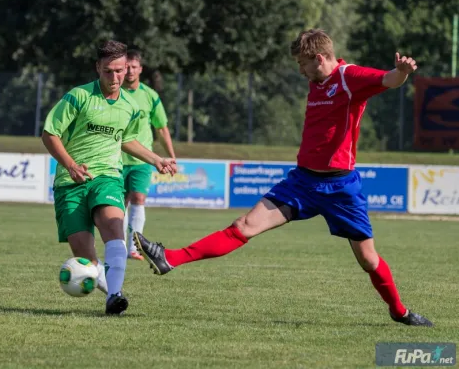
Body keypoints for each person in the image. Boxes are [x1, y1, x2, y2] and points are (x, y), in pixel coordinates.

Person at [133, 29, 434, 327]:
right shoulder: (317, 82)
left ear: (318, 58)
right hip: (302, 182)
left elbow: (389, 80)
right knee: (243, 226)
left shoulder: (348, 76)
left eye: (302, 64)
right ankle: (170, 257)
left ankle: (400, 312)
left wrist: (402, 72)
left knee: (368, 260)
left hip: (341, 186)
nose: (301, 71)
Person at [42, 40, 177, 316]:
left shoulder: (129, 106)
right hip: (71, 184)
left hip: (107, 177)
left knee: (114, 228)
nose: (115, 77)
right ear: (97, 68)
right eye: (108, 71)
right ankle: (111, 289)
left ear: (127, 67)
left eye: (119, 70)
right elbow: (49, 133)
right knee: (88, 260)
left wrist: (156, 159)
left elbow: (127, 140)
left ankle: (114, 296)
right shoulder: (78, 97)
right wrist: (69, 165)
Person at [121, 49, 176, 260]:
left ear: (140, 69)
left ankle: (134, 247)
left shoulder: (150, 96)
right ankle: (120, 245)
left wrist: (171, 155)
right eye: (126, 67)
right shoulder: (115, 93)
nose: (129, 71)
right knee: (119, 203)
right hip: (116, 158)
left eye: (134, 67)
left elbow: (161, 128)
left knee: (138, 197)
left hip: (142, 158)